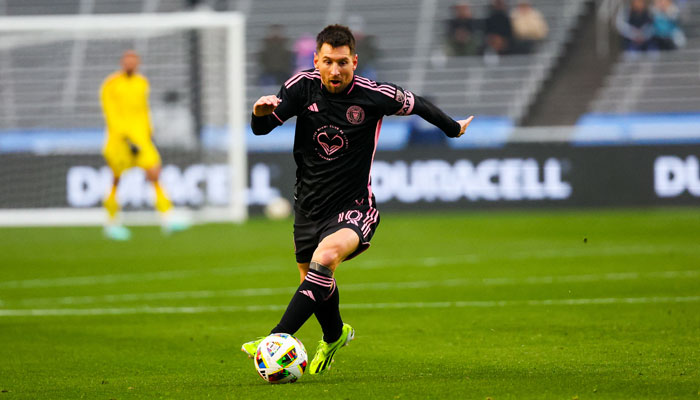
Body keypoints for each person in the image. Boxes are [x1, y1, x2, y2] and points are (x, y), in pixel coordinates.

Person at [240, 25, 474, 375]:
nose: (336, 70)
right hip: (308, 205)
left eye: (343, 62)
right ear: (316, 60)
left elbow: (419, 104)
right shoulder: (300, 87)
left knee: (326, 257)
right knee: (315, 280)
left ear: (355, 61)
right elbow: (261, 128)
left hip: (354, 205)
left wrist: (452, 128)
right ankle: (334, 335)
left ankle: (275, 337)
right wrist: (260, 113)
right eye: (329, 62)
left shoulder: (373, 94)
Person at [100, 50, 188, 240]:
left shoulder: (142, 83)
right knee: (116, 180)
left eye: (134, 61)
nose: (131, 64)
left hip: (141, 140)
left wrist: (148, 132)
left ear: (137, 64)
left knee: (155, 173)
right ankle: (111, 223)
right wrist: (125, 137)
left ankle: (167, 219)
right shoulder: (111, 84)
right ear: (122, 63)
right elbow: (111, 113)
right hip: (120, 141)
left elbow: (143, 110)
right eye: (127, 61)